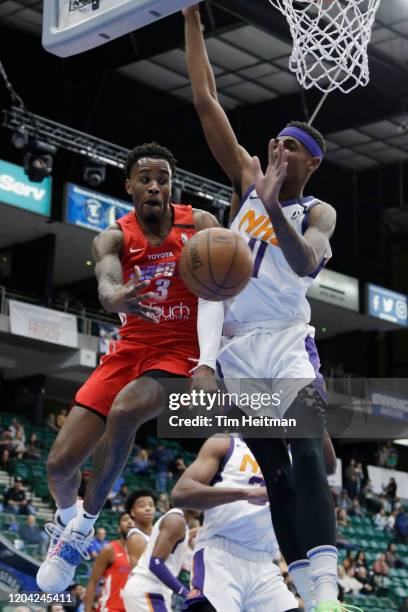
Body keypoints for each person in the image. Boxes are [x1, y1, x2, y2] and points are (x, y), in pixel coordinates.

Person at [183, 6, 341, 611]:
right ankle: (309, 590)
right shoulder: (247, 178)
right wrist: (192, 17)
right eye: (274, 142)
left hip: (284, 337)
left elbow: (305, 265)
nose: (278, 150)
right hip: (236, 346)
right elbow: (206, 101)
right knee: (273, 469)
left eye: (291, 148)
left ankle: (325, 591)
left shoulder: (317, 211)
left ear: (311, 163)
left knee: (305, 447)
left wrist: (275, 207)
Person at [36, 141, 219, 593]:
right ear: (130, 186)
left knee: (124, 411)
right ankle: (65, 525)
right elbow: (106, 280)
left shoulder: (198, 224)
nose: (155, 186)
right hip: (129, 348)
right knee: (58, 467)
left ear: (172, 187)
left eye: (163, 179)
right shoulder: (113, 236)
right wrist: (115, 296)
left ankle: (83, 528)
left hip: (179, 351)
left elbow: (223, 282)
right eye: (146, 179)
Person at [172, 435, 336, 612]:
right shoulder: (225, 443)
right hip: (220, 555)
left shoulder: (293, 457)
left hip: (264, 562)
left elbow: (328, 466)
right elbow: (180, 494)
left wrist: (311, 411)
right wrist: (245, 493)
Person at [123, 507, 194, 611]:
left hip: (156, 591)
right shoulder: (176, 520)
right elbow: (156, 563)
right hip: (147, 589)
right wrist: (186, 593)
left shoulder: (180, 523)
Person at [84, 512, 134, 612]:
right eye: (125, 519)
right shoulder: (109, 549)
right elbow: (93, 582)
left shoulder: (146, 552)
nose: (130, 522)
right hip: (111, 608)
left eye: (133, 519)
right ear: (118, 528)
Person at [124, 488, 156, 569]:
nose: (148, 508)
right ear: (132, 512)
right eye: (142, 506)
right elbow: (138, 571)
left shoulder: (158, 531)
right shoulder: (135, 538)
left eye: (151, 505)